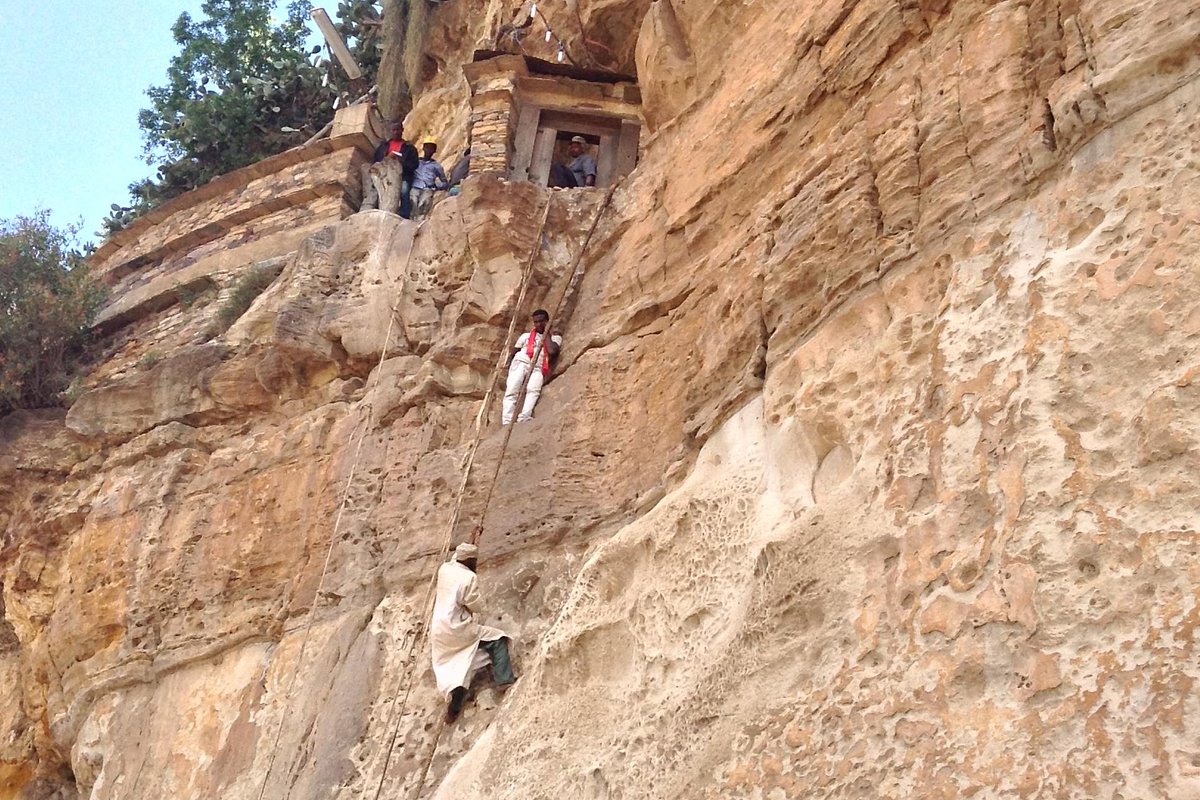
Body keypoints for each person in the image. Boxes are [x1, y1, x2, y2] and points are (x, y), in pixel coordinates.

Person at [431, 540, 516, 723]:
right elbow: (476, 606)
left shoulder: (445, 569)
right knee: (497, 639)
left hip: (439, 631)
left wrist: (473, 537)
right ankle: (504, 680)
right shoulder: (469, 578)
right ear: (471, 561)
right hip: (458, 630)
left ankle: (454, 708)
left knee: (460, 666)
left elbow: (459, 556)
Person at [502, 309, 562, 424]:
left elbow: (551, 351)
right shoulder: (525, 336)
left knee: (534, 390)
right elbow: (515, 351)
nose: (538, 324)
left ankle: (525, 416)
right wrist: (509, 365)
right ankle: (507, 420)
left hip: (538, 366)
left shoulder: (555, 338)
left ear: (547, 321)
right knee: (512, 390)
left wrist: (546, 333)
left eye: (541, 321)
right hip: (521, 362)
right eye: (536, 322)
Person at [363, 122, 419, 218]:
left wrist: (400, 162)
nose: (396, 132)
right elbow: (376, 160)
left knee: (404, 190)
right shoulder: (383, 146)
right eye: (394, 130)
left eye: (398, 130)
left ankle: (404, 216)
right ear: (390, 131)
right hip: (383, 175)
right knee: (375, 191)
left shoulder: (409, 148)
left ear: (402, 130)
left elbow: (414, 164)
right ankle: (372, 213)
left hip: (402, 176)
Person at [411, 138, 449, 220]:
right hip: (415, 186)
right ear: (423, 148)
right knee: (412, 201)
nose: (429, 150)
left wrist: (437, 186)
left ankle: (419, 222)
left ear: (434, 151)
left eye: (431, 148)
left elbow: (445, 182)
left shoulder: (437, 166)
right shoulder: (416, 162)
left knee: (424, 203)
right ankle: (410, 220)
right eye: (427, 147)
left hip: (428, 188)